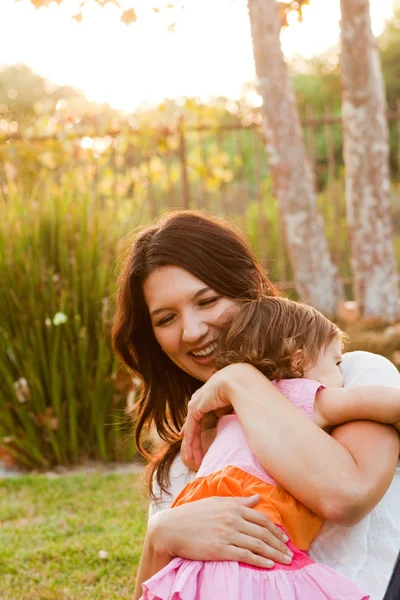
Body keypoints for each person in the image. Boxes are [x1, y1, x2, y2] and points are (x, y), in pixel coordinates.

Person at [111, 210, 400, 600]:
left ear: (248, 287)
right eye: (166, 319)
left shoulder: (351, 375)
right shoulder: (189, 461)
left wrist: (239, 380)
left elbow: (346, 496)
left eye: (208, 300)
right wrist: (160, 538)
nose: (192, 331)